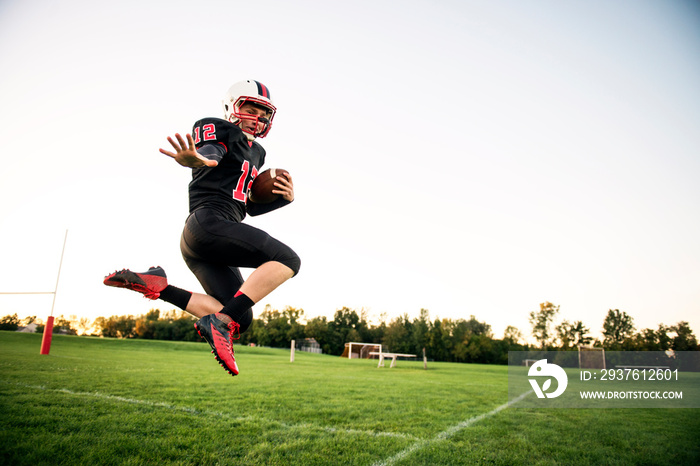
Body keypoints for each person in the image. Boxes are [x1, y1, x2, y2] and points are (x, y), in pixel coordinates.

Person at [104, 79, 300, 377]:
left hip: (208, 238)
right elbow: (211, 153)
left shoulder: (257, 153)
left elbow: (248, 206)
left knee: (241, 317)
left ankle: (159, 286)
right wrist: (196, 159)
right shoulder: (217, 128)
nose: (257, 117)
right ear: (231, 107)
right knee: (288, 260)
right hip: (208, 224)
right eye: (251, 107)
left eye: (263, 112)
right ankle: (219, 324)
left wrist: (284, 200)